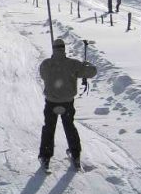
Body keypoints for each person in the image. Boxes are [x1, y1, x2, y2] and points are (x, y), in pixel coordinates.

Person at [38, 38, 97, 170]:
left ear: (53, 49)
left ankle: (45, 157)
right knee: (69, 127)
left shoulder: (46, 64)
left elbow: (43, 75)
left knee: (49, 128)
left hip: (51, 103)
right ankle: (75, 155)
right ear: (64, 49)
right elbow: (92, 72)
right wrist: (86, 65)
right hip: (67, 103)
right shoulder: (73, 64)